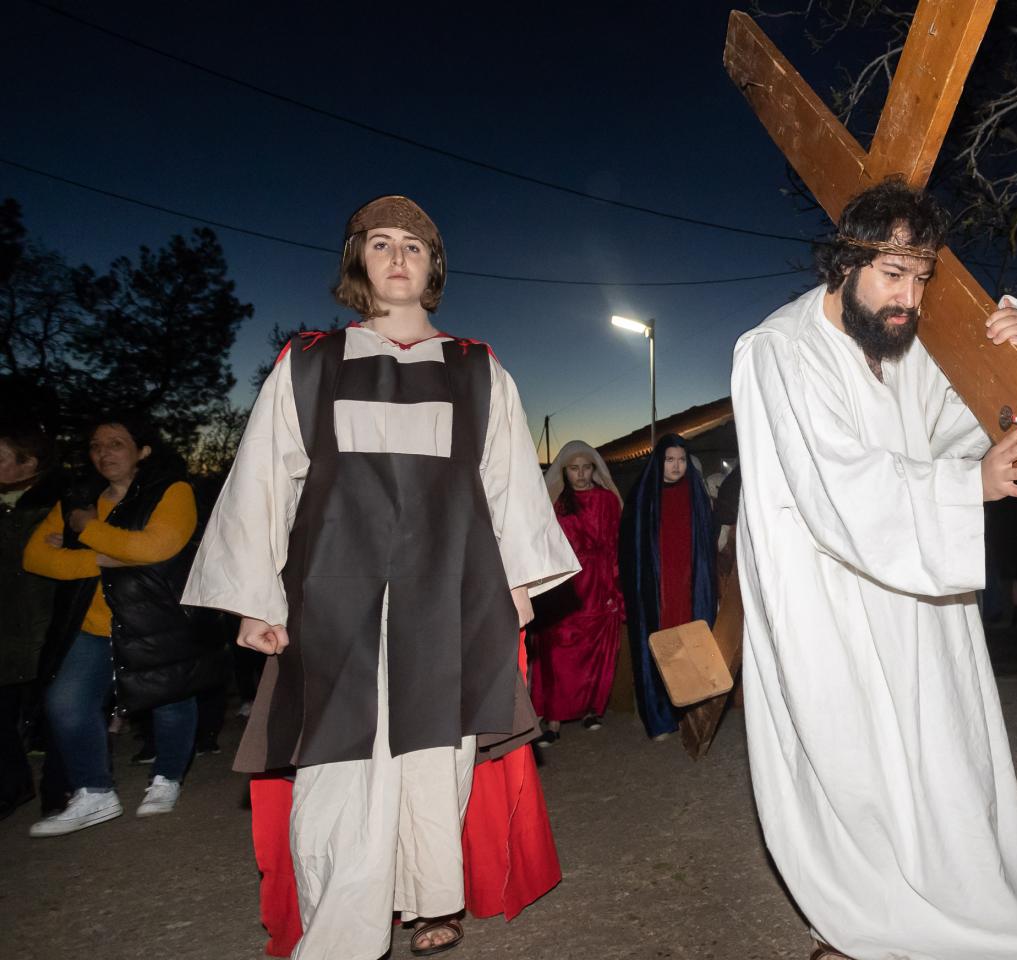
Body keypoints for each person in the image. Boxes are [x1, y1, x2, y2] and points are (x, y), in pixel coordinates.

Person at [182, 195, 577, 958]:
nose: (398, 257)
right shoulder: (309, 363)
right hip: (333, 594)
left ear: (433, 269)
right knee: (338, 763)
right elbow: (265, 479)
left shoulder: (477, 368)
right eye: (382, 244)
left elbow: (507, 485)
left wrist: (521, 583)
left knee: (436, 758)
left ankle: (433, 897)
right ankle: (342, 931)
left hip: (449, 595)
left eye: (415, 247)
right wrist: (252, 598)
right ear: (359, 263)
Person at [732, 178, 1017, 960]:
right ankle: (853, 926)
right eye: (892, 273)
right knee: (853, 762)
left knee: (940, 752)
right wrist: (965, 489)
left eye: (922, 276)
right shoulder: (780, 349)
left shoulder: (902, 346)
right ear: (842, 264)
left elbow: (965, 425)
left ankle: (948, 901)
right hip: (825, 595)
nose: (909, 296)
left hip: (917, 591)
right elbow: (833, 481)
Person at [25, 413, 216, 836]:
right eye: (96, 445)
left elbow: (157, 546)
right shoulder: (78, 496)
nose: (103, 453)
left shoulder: (171, 490)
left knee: (169, 698)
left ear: (142, 451)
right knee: (66, 704)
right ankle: (95, 792)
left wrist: (85, 530)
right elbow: (34, 557)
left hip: (155, 619)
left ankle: (167, 777)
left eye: (116, 443)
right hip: (93, 624)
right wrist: (99, 558)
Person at [619, 434, 717, 741]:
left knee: (691, 645)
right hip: (658, 587)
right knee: (661, 646)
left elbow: (706, 541)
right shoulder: (644, 495)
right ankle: (660, 715)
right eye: (670, 460)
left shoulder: (696, 492)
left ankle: (692, 715)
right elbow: (630, 547)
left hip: (688, 586)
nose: (677, 466)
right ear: (659, 461)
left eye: (681, 460)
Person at [531, 440, 625, 736]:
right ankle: (554, 720)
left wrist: (614, 586)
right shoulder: (555, 504)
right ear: (564, 471)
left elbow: (616, 545)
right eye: (575, 468)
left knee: (597, 651)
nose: (581, 474)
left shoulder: (608, 501)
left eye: (587, 468)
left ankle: (591, 709)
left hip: (599, 585)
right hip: (565, 589)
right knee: (558, 652)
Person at [0, 421, 63, 820]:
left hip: (47, 624)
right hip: (5, 630)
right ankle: (13, 786)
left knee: (59, 707)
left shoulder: (58, 503)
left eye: (2, 459)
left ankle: (62, 790)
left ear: (29, 464)